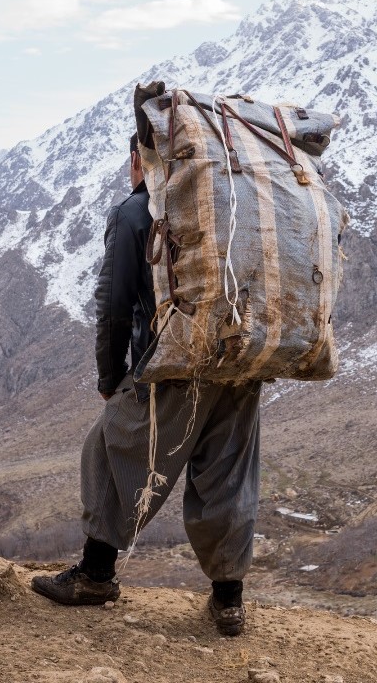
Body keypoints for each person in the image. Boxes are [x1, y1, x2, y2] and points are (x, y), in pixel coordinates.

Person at [31, 133, 264, 638]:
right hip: (239, 365)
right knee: (226, 474)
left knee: (105, 449)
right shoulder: (236, 204)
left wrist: (111, 377)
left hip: (174, 364)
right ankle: (228, 601)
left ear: (138, 159)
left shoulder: (137, 213)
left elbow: (114, 306)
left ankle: (95, 575)